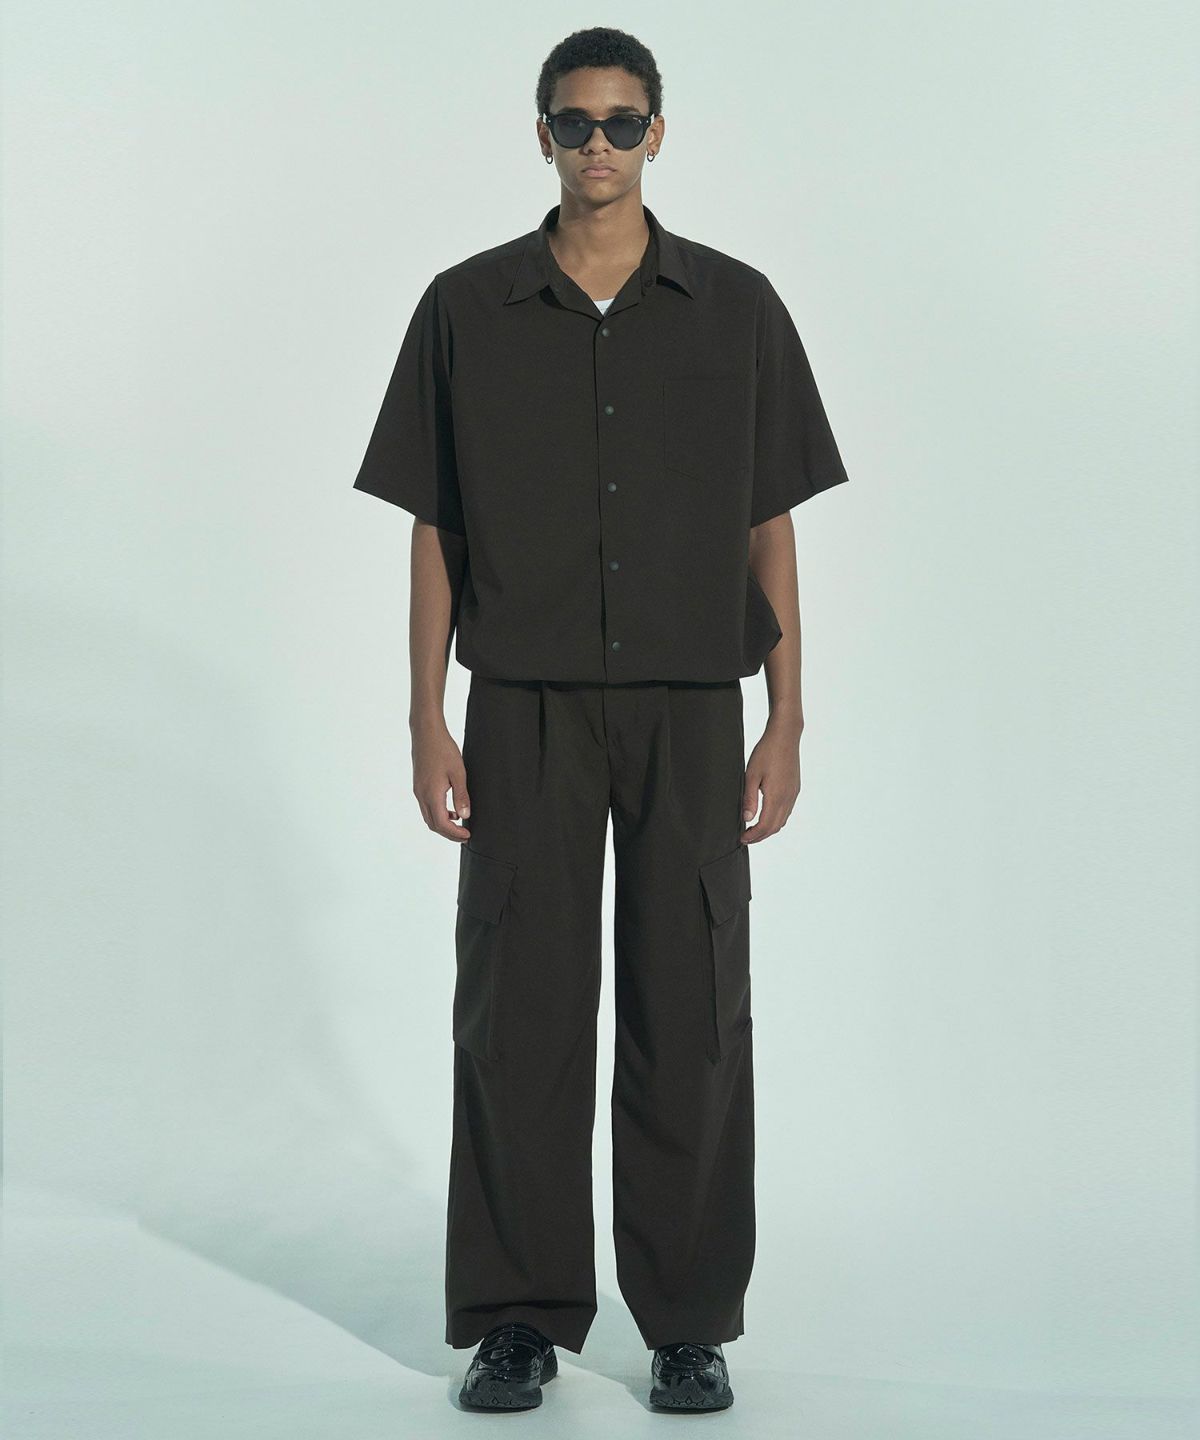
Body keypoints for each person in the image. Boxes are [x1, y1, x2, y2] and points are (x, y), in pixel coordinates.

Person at [351, 25, 850, 1415]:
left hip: (693, 704)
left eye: (623, 122)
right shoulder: (465, 307)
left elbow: (770, 522)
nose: (599, 145)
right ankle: (516, 1318)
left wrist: (787, 716)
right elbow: (435, 527)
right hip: (525, 705)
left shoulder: (737, 307)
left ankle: (688, 1321)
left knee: (691, 1014)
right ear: (543, 136)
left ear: (658, 133)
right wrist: (426, 719)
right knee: (518, 1012)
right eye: (574, 123)